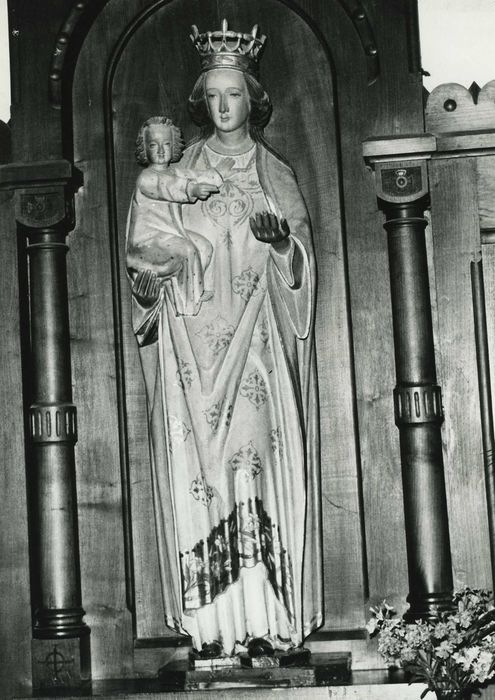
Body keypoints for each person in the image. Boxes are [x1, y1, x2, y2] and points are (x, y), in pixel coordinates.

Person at [127, 20, 323, 658]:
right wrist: (155, 280)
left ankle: (264, 617)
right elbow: (145, 254)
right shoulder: (173, 172)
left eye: (233, 94)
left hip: (256, 348)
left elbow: (300, 263)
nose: (222, 106)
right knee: (199, 477)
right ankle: (214, 627)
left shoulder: (274, 173)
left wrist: (279, 244)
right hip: (194, 351)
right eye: (211, 96)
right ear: (199, 103)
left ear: (253, 100)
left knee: (252, 469)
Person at [127, 116, 233, 315]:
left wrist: (217, 174)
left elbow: (194, 176)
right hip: (148, 241)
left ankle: (193, 288)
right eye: (153, 144)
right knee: (187, 250)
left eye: (166, 144)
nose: (160, 150)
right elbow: (166, 188)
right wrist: (191, 190)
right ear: (144, 148)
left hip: (169, 235)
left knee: (204, 247)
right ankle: (187, 306)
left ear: (174, 146)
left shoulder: (175, 172)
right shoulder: (147, 177)